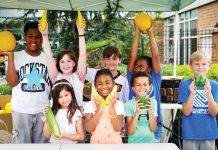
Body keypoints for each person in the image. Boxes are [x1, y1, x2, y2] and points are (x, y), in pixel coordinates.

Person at [2, 21, 51, 143]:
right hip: (21, 110)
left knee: (42, 146)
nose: (34, 40)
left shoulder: (48, 58)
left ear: (42, 39)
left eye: (38, 37)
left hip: (43, 111)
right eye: (30, 36)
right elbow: (12, 82)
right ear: (25, 37)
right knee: (21, 146)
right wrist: (11, 57)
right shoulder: (15, 56)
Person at [39, 19, 86, 108]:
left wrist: (81, 33)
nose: (66, 64)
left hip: (76, 114)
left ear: (74, 63)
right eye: (62, 61)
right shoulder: (56, 77)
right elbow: (49, 57)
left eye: (69, 61)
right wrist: (44, 35)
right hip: (58, 115)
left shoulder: (79, 76)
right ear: (58, 64)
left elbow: (83, 55)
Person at [127, 22, 162, 142]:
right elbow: (132, 56)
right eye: (136, 66)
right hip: (135, 128)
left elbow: (156, 56)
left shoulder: (155, 78)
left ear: (150, 69)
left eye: (141, 67)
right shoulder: (132, 77)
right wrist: (137, 32)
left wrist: (150, 32)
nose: (137, 68)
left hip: (153, 128)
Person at [178, 51, 218, 150]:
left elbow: (214, 112)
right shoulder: (184, 84)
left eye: (204, 64)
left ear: (209, 66)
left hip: (208, 133)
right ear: (190, 66)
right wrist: (192, 93)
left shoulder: (214, 85)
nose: (200, 67)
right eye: (196, 64)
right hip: (190, 133)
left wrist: (208, 94)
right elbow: (186, 112)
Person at [84, 68, 125, 143]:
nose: (104, 86)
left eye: (107, 83)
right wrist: (99, 110)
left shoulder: (119, 104)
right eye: (100, 84)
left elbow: (118, 128)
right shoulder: (90, 105)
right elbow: (89, 129)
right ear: (95, 86)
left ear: (113, 84)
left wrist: (112, 108)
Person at [43, 79, 84, 143]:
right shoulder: (52, 112)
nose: (64, 99)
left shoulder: (76, 113)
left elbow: (81, 137)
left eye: (66, 95)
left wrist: (63, 135)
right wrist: (47, 118)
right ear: (55, 98)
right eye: (60, 97)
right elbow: (46, 135)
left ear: (71, 94)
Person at [125, 72, 157, 143]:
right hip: (133, 143)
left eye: (145, 84)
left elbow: (154, 129)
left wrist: (150, 112)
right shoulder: (128, 104)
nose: (142, 87)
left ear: (150, 87)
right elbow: (130, 131)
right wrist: (137, 113)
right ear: (133, 88)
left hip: (150, 143)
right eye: (138, 85)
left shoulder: (153, 103)